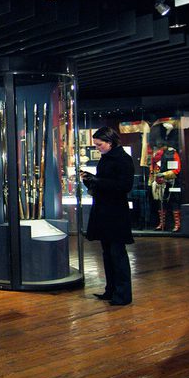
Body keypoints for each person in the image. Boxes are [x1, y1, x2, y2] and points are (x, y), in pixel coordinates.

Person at [80, 126, 134, 306]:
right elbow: (105, 183)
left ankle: (123, 295)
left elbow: (124, 186)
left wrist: (97, 180)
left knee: (117, 254)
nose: (97, 148)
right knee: (108, 253)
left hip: (115, 212)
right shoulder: (107, 158)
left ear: (110, 142)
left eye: (99, 144)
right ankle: (111, 290)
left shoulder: (123, 159)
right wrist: (90, 180)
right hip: (104, 210)